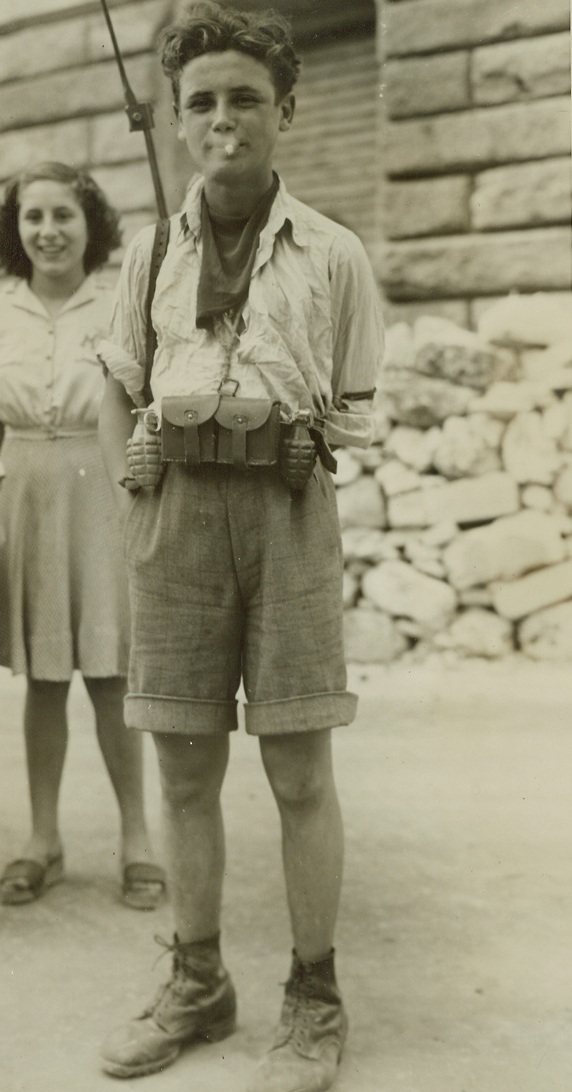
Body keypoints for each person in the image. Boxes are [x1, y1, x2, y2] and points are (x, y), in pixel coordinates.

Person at [97, 4, 383, 1090]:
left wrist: (305, 437)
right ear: (175, 120)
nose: (224, 120)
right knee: (182, 766)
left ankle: (314, 995)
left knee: (299, 768)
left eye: (246, 100)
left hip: (286, 511)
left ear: (286, 112)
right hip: (174, 515)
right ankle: (197, 979)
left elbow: (355, 403)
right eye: (202, 102)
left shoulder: (334, 254)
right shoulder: (145, 256)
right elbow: (117, 384)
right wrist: (134, 494)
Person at [0, 162, 165, 911]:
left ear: (89, 223)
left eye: (63, 215)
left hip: (97, 485)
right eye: (33, 217)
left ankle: (138, 840)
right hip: (22, 490)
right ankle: (43, 840)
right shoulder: (3, 307)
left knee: (108, 671)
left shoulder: (118, 302)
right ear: (16, 229)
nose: (48, 232)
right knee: (43, 676)